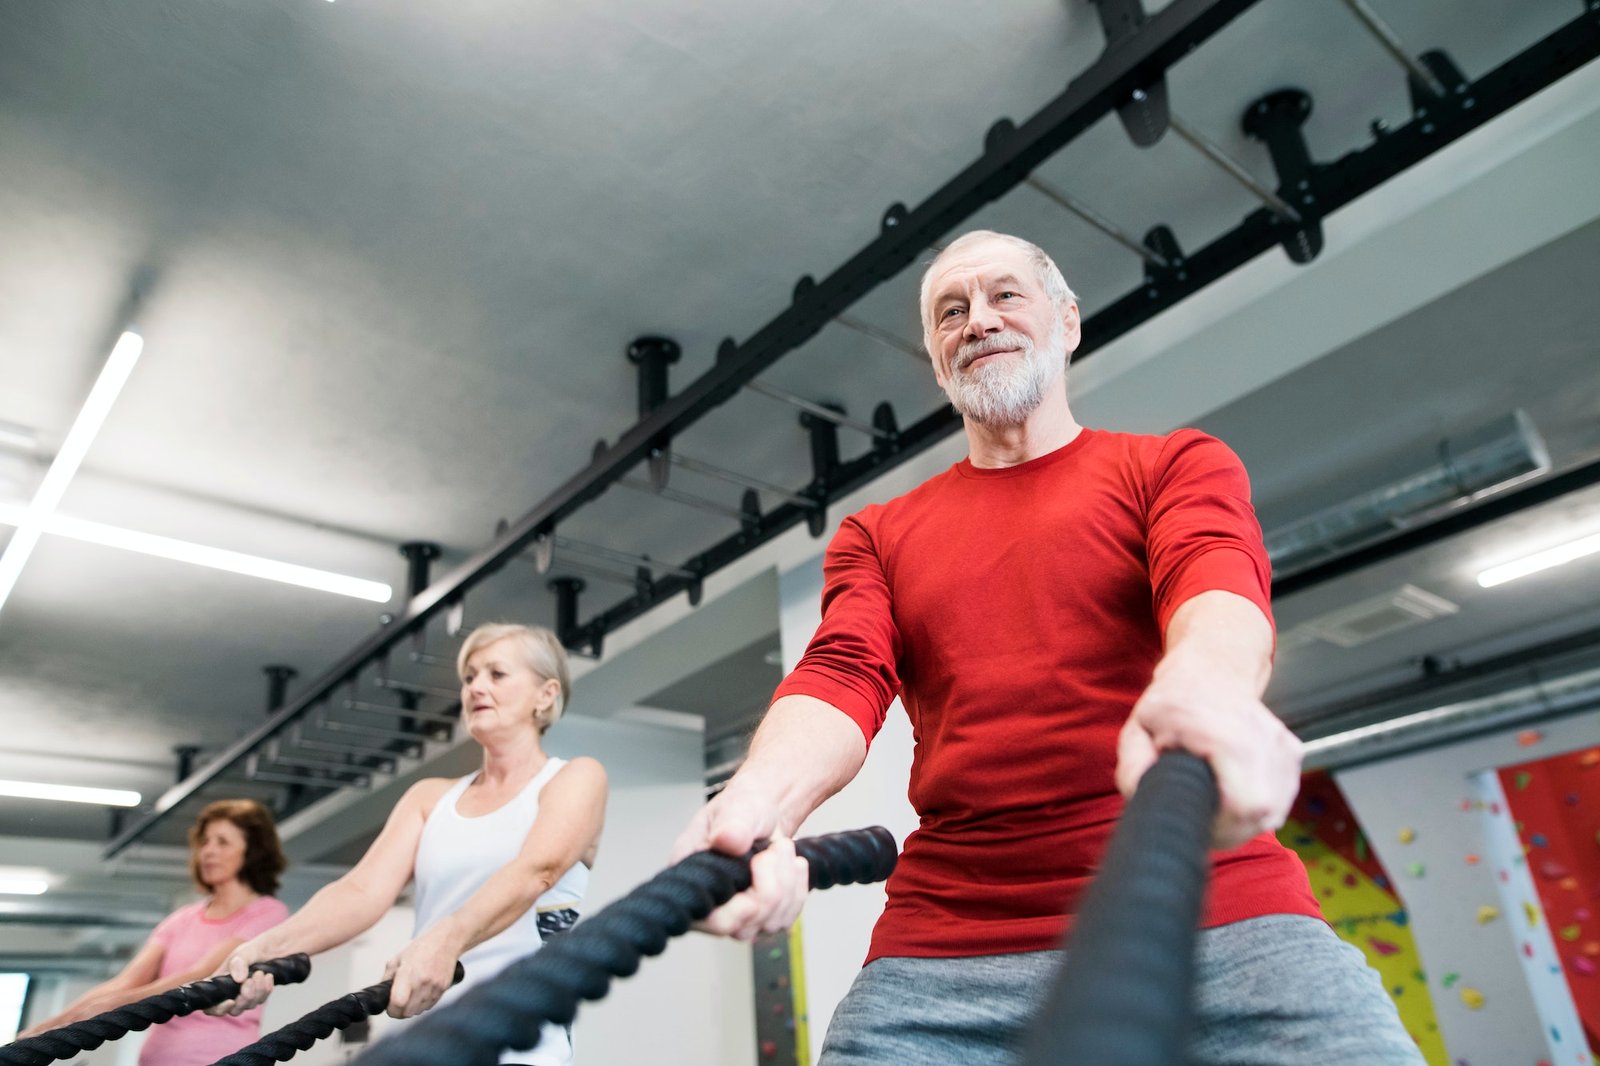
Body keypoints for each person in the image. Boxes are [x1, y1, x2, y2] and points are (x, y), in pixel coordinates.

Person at [672, 231, 1424, 1063]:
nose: (979, 320)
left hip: (1216, 912)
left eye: (1006, 295)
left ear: (1067, 321)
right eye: (950, 312)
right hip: (945, 955)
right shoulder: (876, 534)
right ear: (935, 360)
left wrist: (1205, 690)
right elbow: (840, 673)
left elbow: (1215, 584)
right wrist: (756, 808)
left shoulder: (1171, 464)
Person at [215, 622, 607, 1066]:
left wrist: (448, 938)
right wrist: (267, 947)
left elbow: (539, 869)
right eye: (469, 677)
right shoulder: (430, 797)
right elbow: (361, 892)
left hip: (523, 1044)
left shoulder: (574, 778)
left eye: (496, 674)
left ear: (545, 694)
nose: (476, 687)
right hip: (426, 1036)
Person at [20, 798, 290, 1066]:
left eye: (222, 842)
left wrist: (116, 1004)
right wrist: (55, 1023)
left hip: (223, 1058)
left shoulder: (268, 912)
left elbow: (203, 974)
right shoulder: (181, 919)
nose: (207, 851)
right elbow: (127, 980)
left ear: (252, 851)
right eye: (205, 842)